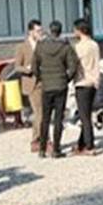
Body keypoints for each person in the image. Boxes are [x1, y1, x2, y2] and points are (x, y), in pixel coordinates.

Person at [33, 21, 78, 159]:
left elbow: (34, 66)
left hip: (46, 86)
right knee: (58, 118)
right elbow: (73, 66)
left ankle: (42, 149)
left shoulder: (40, 46)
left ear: (50, 30)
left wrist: (41, 78)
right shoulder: (65, 46)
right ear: (60, 31)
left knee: (45, 118)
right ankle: (56, 149)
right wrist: (66, 79)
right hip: (60, 85)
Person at [12, 20, 46, 153]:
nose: (40, 33)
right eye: (38, 31)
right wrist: (28, 69)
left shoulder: (43, 45)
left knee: (43, 112)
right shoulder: (22, 47)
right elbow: (17, 66)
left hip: (44, 82)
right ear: (30, 32)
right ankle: (38, 139)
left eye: (41, 30)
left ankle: (40, 138)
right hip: (31, 83)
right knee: (39, 112)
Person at [71, 19, 100, 156]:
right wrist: (97, 79)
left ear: (79, 30)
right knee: (87, 114)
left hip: (82, 82)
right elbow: (97, 63)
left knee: (84, 117)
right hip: (93, 82)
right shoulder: (94, 45)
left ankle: (89, 145)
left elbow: (74, 64)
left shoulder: (79, 47)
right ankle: (81, 144)